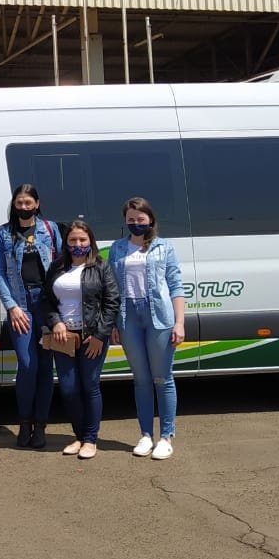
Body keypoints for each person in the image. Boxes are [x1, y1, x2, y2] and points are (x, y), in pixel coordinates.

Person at [108, 196, 185, 459]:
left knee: (162, 378)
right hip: (129, 317)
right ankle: (145, 435)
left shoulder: (164, 247)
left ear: (150, 219)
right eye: (131, 219)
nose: (136, 223)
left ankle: (166, 436)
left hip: (159, 318)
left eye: (140, 219)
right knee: (140, 380)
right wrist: (114, 324)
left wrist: (180, 322)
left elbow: (176, 285)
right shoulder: (117, 248)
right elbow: (113, 290)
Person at [37, 219, 120, 460]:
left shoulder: (101, 267)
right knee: (69, 387)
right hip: (64, 336)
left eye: (82, 240)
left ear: (90, 242)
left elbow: (112, 301)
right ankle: (79, 435)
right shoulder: (58, 266)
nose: (77, 244)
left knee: (90, 385)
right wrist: (56, 322)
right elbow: (45, 300)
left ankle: (91, 439)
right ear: (66, 242)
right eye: (72, 240)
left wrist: (99, 335)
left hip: (92, 337)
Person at [0, 184, 61, 449]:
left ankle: (40, 426)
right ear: (14, 204)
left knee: (45, 368)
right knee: (27, 365)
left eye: (28, 202)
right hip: (20, 306)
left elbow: (62, 266)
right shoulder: (3, 234)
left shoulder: (50, 230)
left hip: (46, 306)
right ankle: (24, 423)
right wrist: (11, 306)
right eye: (19, 202)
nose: (23, 207)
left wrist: (60, 309)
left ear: (37, 203)